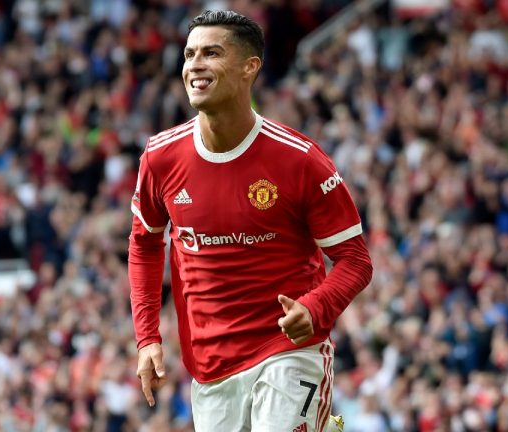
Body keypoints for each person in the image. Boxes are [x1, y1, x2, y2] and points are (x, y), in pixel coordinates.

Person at [128, 10, 373, 432]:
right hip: (211, 367)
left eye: (211, 53)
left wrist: (315, 307)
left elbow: (355, 259)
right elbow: (145, 243)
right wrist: (148, 337)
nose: (195, 65)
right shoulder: (160, 156)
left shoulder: (299, 160)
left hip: (289, 351)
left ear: (249, 67)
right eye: (189, 54)